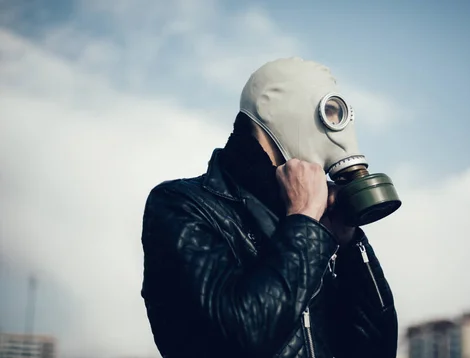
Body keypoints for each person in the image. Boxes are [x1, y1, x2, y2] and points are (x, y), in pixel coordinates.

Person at [141, 57, 398, 358]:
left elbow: (377, 350)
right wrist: (302, 220)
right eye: (328, 112)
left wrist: (350, 245)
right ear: (269, 107)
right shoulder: (182, 204)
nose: (337, 127)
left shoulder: (313, 227)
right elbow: (237, 338)